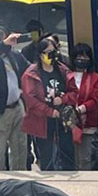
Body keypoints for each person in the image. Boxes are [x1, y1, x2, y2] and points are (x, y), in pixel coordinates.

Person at [21, 37, 78, 170]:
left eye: (54, 51)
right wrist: (50, 112)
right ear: (41, 55)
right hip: (42, 120)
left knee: (67, 153)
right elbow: (30, 100)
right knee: (46, 156)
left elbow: (74, 92)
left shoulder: (63, 70)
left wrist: (63, 100)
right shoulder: (31, 74)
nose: (52, 55)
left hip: (63, 119)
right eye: (48, 52)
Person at [0, 27, 29, 171]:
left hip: (17, 106)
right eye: (2, 39)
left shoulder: (14, 55)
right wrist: (3, 45)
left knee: (20, 148)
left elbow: (29, 69)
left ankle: (19, 184)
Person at [69, 43, 98, 170]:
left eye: (85, 56)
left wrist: (80, 109)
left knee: (86, 157)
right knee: (72, 156)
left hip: (88, 122)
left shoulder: (95, 78)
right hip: (69, 123)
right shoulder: (66, 75)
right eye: (79, 56)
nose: (82, 59)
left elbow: (95, 100)